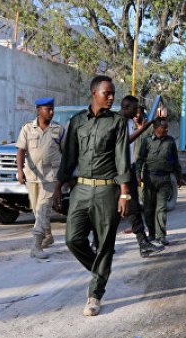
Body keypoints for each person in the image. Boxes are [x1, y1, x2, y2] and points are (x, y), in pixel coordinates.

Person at [53, 75, 132, 317]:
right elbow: (68, 158)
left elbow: (122, 159)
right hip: (82, 189)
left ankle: (94, 295)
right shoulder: (77, 122)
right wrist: (58, 186)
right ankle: (100, 271)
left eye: (113, 94)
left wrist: (124, 194)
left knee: (105, 243)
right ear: (94, 93)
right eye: (107, 93)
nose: (111, 98)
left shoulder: (117, 122)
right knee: (72, 239)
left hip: (108, 190)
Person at [16, 98, 64, 259]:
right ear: (38, 110)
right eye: (48, 109)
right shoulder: (27, 128)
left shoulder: (58, 129)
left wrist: (65, 177)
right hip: (32, 175)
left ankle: (36, 246)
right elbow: (21, 151)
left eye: (52, 109)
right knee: (38, 210)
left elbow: (66, 153)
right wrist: (20, 171)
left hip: (51, 176)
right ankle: (48, 236)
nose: (51, 112)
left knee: (43, 208)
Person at [119, 95, 163, 258]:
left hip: (129, 169)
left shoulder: (130, 122)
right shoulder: (119, 122)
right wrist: (142, 129)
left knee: (134, 208)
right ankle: (98, 242)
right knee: (114, 209)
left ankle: (143, 243)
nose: (137, 111)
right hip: (118, 171)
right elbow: (124, 142)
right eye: (134, 108)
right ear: (125, 107)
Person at [136, 118, 184, 246]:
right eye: (164, 127)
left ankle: (161, 235)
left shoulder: (170, 141)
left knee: (161, 209)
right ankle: (151, 234)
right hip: (149, 179)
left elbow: (175, 161)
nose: (166, 129)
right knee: (148, 209)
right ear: (156, 128)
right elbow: (139, 160)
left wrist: (179, 177)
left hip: (164, 179)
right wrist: (138, 175)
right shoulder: (146, 141)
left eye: (167, 127)